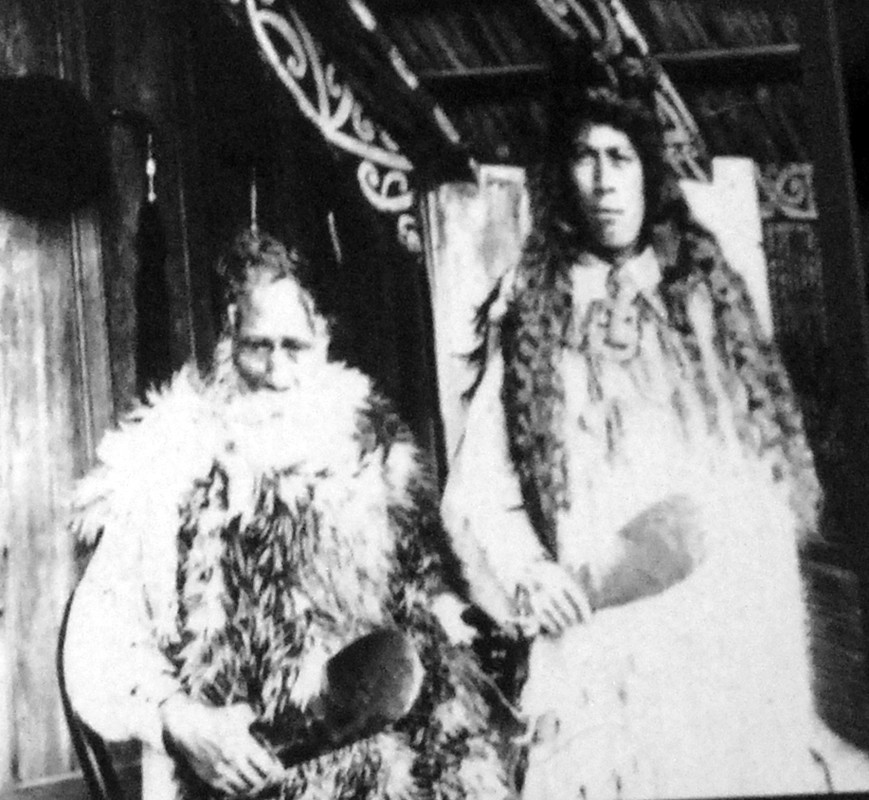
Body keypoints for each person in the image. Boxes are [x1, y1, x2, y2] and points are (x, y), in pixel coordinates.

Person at [440, 41, 869, 800]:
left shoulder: (702, 303)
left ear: (649, 171)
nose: (604, 181)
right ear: (560, 175)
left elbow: (754, 500)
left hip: (708, 641)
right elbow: (478, 494)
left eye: (621, 157)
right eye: (584, 157)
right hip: (590, 644)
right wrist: (528, 574)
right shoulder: (532, 311)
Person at [64, 230, 511, 800]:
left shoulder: (376, 459)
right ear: (227, 336)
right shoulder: (168, 464)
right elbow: (94, 645)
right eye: (258, 346)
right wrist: (181, 722)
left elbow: (428, 637)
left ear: (323, 338)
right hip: (238, 775)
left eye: (294, 346)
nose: (277, 372)